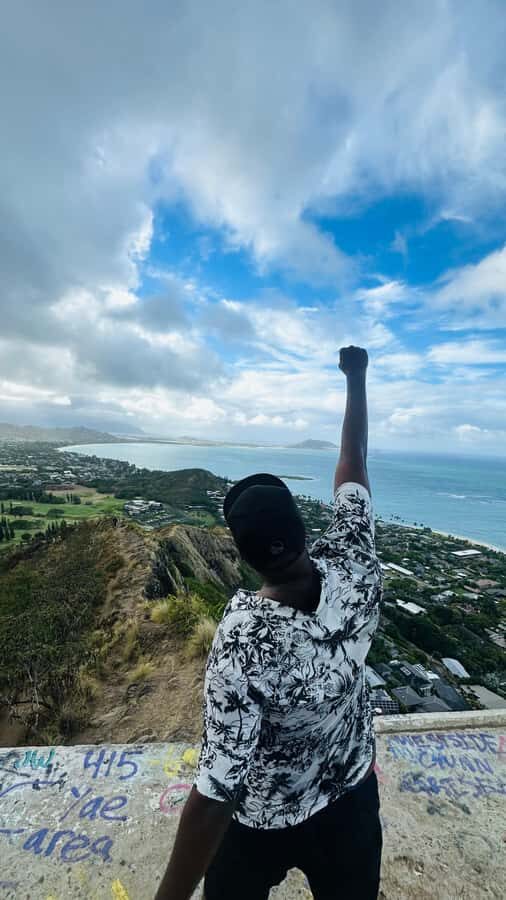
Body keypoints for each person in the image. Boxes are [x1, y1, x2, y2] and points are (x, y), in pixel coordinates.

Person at [155, 346, 383, 900]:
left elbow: (216, 790)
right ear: (304, 529)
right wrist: (356, 376)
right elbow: (353, 456)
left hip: (262, 818)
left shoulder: (243, 640)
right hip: (351, 793)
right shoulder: (355, 559)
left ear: (246, 556)